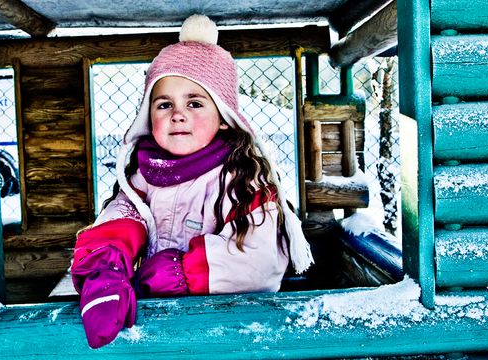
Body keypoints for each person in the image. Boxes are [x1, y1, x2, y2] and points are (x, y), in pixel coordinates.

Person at [70, 14, 313, 349]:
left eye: (194, 103)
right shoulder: (142, 179)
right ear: (148, 116)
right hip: (159, 331)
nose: (177, 114)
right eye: (164, 104)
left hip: (228, 332)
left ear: (224, 118)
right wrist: (105, 270)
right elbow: (120, 221)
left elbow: (260, 260)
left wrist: (181, 273)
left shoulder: (241, 180)